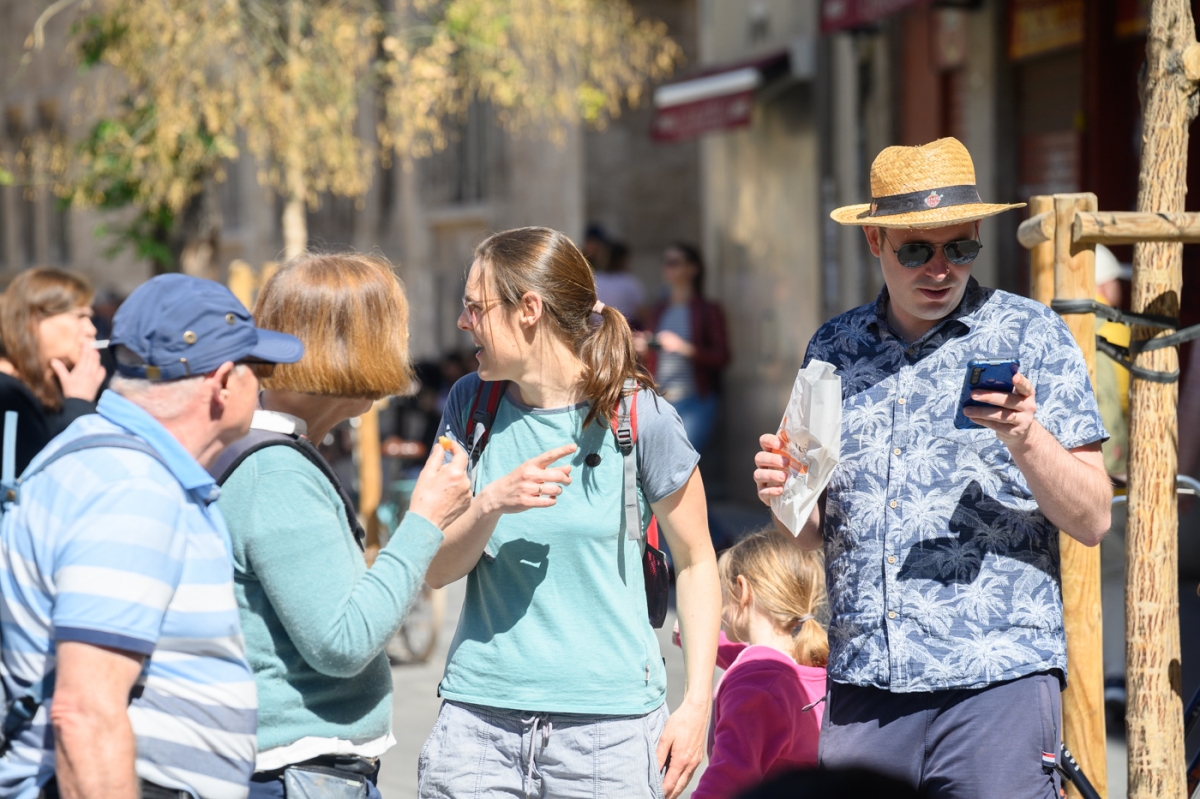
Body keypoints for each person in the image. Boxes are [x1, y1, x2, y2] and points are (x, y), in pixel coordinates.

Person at [753, 138, 1111, 799]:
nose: (940, 268)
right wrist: (783, 494)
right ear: (876, 243)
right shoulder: (833, 347)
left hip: (995, 680)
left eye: (960, 247)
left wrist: (1026, 435)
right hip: (866, 684)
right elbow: (808, 532)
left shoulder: (1030, 335)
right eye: (917, 249)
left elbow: (1092, 517)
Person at [417, 226, 720, 799]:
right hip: (477, 731)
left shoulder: (639, 415)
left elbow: (698, 560)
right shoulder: (469, 405)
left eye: (475, 309)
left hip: (610, 736)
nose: (463, 324)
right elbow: (434, 569)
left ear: (529, 309)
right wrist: (490, 504)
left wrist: (697, 705)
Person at [0, 273, 304, 799]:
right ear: (224, 381)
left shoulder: (109, 459)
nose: (265, 383)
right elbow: (86, 714)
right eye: (259, 368)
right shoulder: (132, 489)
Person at [212, 253, 474, 798]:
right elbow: (343, 641)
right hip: (295, 774)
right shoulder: (276, 470)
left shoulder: (265, 453)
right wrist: (424, 519)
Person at [680, 529, 827, 799]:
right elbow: (760, 663)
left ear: (742, 589)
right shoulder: (812, 663)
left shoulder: (754, 686)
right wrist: (697, 638)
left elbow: (727, 779)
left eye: (724, 593)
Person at [0, 267, 107, 474]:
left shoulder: (56, 383)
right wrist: (78, 403)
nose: (91, 330)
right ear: (34, 321)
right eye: (80, 316)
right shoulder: (5, 392)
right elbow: (45, 478)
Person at [637, 243, 730, 454]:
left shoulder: (708, 310)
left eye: (674, 263)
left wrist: (683, 348)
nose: (667, 268)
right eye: (666, 263)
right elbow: (652, 359)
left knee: (683, 460)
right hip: (660, 401)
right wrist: (645, 347)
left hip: (696, 401)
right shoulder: (659, 310)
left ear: (692, 269)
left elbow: (722, 357)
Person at [1093, 244, 1130, 477]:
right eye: (1117, 281)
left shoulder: (1054, 315)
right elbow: (1120, 396)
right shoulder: (1113, 327)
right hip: (1107, 451)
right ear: (1105, 284)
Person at [594, 241, 646, 322]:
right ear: (622, 259)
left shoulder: (595, 279)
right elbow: (641, 312)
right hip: (622, 329)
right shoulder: (629, 282)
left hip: (597, 330)